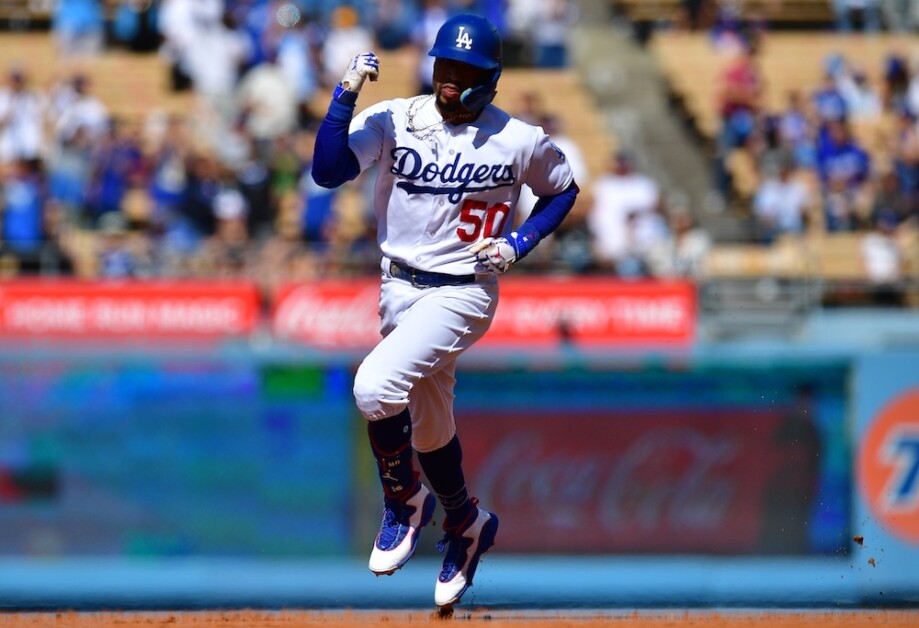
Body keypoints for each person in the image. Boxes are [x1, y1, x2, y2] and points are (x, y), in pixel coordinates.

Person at [311, 14, 578, 611]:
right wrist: (344, 95)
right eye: (445, 66)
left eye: (465, 70)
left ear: (490, 77)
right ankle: (465, 521)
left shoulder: (519, 139)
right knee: (431, 427)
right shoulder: (397, 118)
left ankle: (404, 499)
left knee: (376, 387)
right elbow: (328, 171)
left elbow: (562, 191)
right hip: (398, 288)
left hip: (465, 289)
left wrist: (518, 243)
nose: (451, 79)